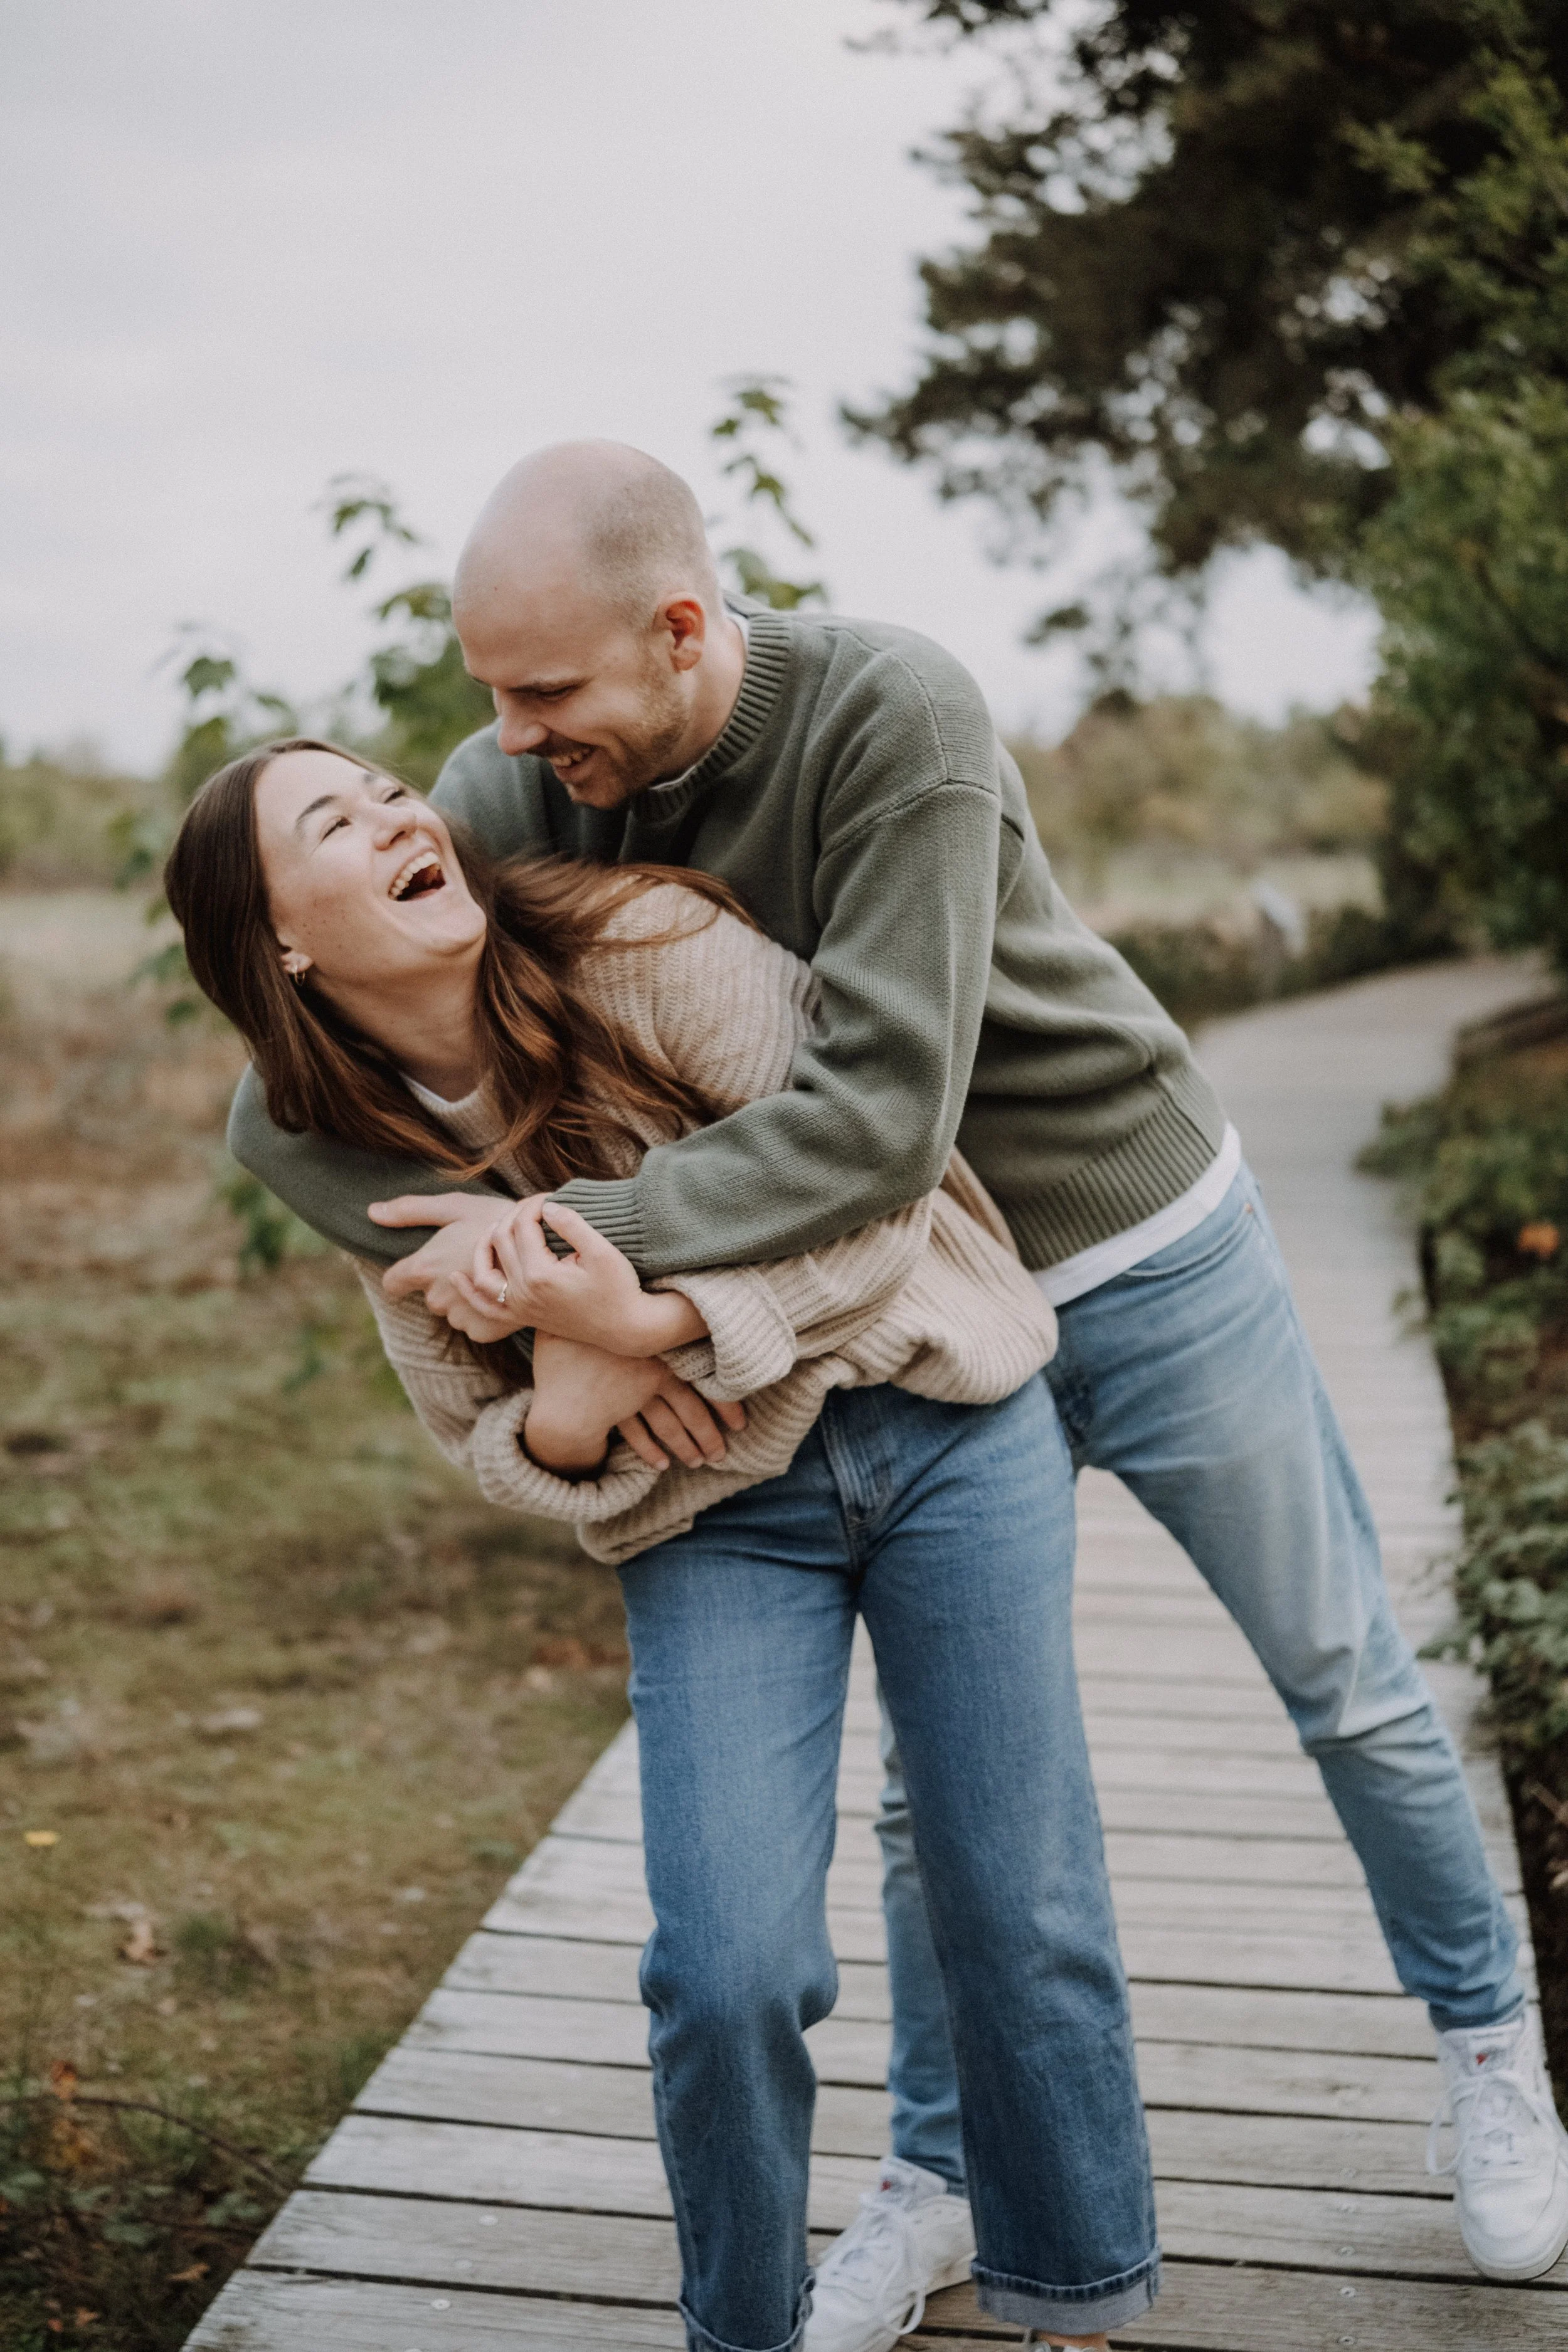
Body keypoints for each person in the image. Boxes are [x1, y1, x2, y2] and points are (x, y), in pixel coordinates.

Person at [229, 443, 1568, 2322]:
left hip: (1119, 1239)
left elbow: (874, 1122)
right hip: (890, 1325)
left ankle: (1488, 2043)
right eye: (488, 695)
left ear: (682, 631)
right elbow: (284, 1109)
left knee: (1336, 1666)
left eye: (544, 694)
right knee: (928, 1803)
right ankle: (936, 2173)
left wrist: (614, 1288)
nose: (504, 743)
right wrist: (513, 1301)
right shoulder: (514, 787)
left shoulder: (889, 710)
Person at [165, 736, 1161, 2352]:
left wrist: (653, 1320)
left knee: (1016, 1897)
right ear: (280, 941)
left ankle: (1076, 2298)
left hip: (940, 1420)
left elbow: (878, 1188)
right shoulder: (357, 1145)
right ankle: (740, 2330)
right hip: (711, 1516)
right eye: (333, 826)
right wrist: (569, 1403)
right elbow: (480, 1430)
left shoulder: (647, 945)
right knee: (724, 1964)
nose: (403, 813)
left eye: (388, 789)